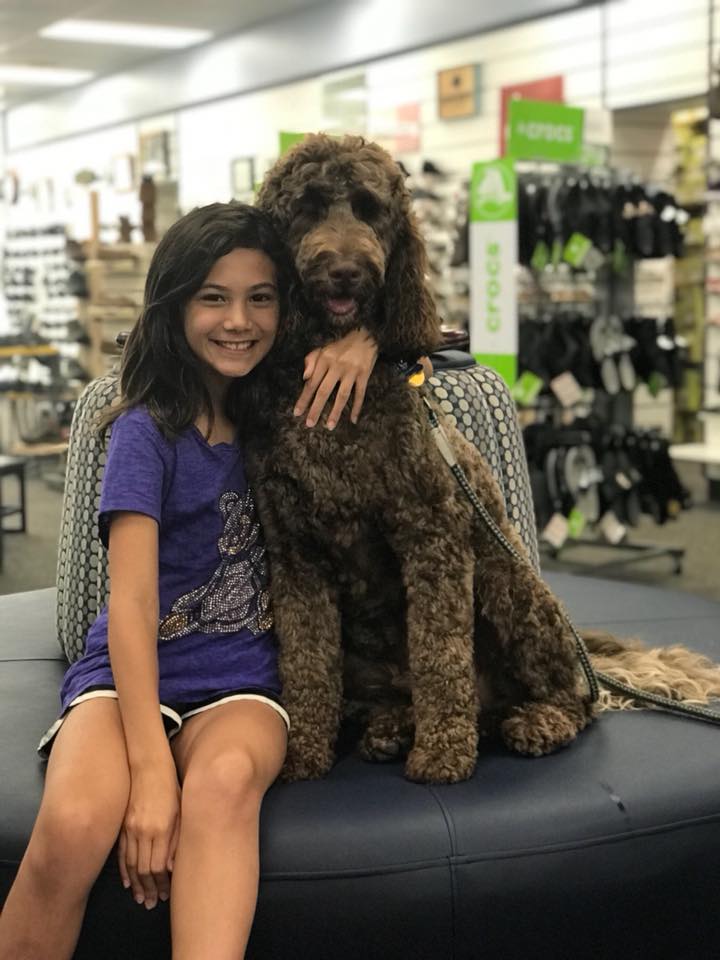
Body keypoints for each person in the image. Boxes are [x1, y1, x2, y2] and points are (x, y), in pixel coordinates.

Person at [0, 202, 379, 960]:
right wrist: (150, 772)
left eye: (260, 298)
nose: (238, 320)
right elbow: (133, 605)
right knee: (74, 821)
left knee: (225, 781)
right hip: (127, 678)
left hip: (242, 683)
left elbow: (426, 339)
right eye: (214, 297)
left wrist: (365, 341)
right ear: (175, 306)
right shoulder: (146, 430)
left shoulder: (289, 411)